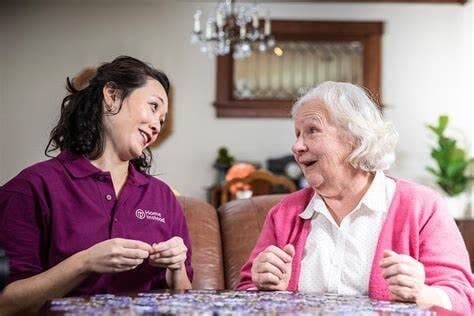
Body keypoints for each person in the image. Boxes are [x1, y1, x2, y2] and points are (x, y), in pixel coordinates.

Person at [237, 82, 473, 314]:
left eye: (311, 131)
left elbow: (463, 299)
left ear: (354, 138)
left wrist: (422, 294)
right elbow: (243, 294)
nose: (296, 146)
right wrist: (265, 288)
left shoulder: (422, 206)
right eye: (297, 134)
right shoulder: (284, 213)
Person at [0, 56, 192, 315]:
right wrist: (85, 262)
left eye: (163, 119)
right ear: (112, 95)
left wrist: (176, 268)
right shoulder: (30, 188)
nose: (157, 125)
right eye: (153, 107)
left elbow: (187, 300)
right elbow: (6, 303)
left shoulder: (161, 196)